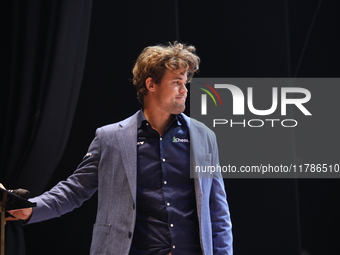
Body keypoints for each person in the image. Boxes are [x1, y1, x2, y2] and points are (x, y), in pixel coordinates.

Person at [6, 42, 232, 254]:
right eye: (176, 82)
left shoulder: (203, 136)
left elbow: (218, 211)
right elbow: (74, 189)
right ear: (151, 84)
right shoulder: (111, 137)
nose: (184, 90)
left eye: (185, 83)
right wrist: (31, 208)